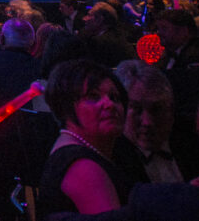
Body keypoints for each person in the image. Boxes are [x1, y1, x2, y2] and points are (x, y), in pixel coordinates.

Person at [37, 59, 146, 217]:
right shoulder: (82, 167)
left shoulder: (88, 149)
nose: (109, 104)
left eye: (115, 97)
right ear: (65, 107)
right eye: (94, 96)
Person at [114, 60, 184, 184]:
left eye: (156, 109)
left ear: (171, 110)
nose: (147, 122)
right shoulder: (113, 160)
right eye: (137, 109)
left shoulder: (191, 141)